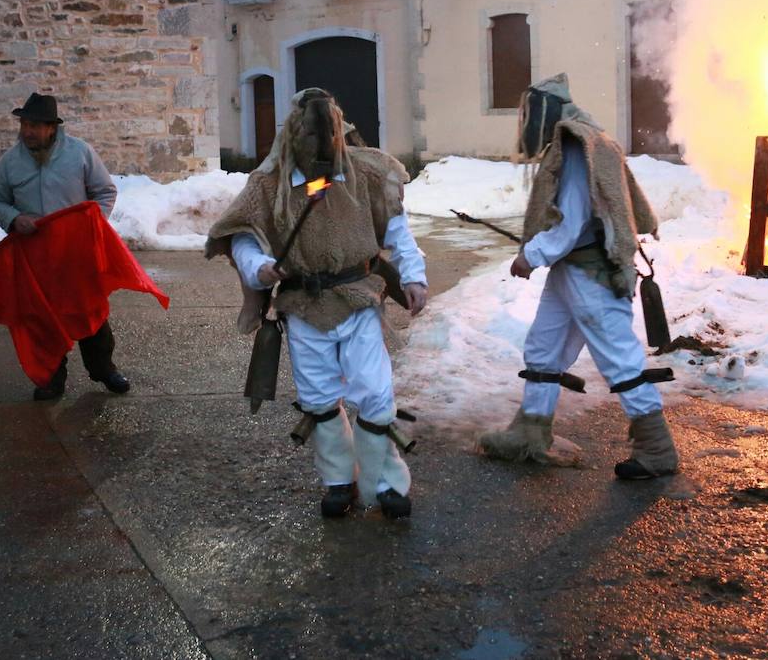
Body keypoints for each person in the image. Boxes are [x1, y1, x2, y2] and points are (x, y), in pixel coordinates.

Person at [206, 88, 429, 519]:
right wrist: (262, 268)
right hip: (304, 304)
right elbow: (241, 238)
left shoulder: (366, 174)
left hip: (358, 297)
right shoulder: (267, 185)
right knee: (319, 398)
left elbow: (397, 228)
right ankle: (338, 480)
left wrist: (414, 276)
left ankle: (386, 483)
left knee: (376, 394)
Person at [478, 74, 679, 479]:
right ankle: (530, 433)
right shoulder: (590, 138)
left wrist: (530, 256)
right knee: (543, 348)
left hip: (590, 271)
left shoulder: (575, 145)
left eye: (530, 112)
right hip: (573, 269)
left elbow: (570, 223)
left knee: (619, 358)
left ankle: (657, 449)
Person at [0, 93, 129, 400]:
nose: (27, 131)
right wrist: (13, 218)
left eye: (35, 125)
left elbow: (104, 191)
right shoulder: (11, 161)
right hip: (34, 256)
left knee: (89, 314)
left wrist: (90, 226)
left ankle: (104, 369)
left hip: (75, 254)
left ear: (51, 128)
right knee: (42, 320)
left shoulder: (80, 153)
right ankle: (52, 379)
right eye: (24, 124)